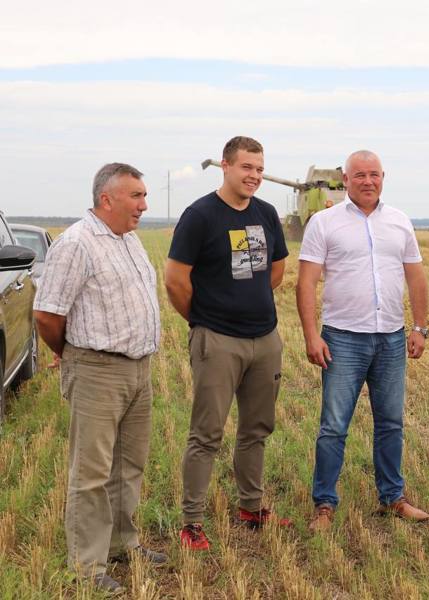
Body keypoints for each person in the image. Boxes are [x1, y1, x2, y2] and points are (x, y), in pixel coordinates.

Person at [33, 163, 164, 594]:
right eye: (137, 197)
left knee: (128, 466)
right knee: (90, 472)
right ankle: (87, 566)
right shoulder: (77, 244)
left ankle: (122, 544)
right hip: (97, 371)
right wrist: (70, 355)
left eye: (144, 196)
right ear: (106, 199)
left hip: (138, 370)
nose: (144, 205)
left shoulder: (128, 241)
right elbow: (48, 315)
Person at [165, 136, 290, 551]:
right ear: (225, 166)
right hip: (217, 340)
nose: (254, 176)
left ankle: (251, 507)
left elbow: (275, 271)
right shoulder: (200, 215)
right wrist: (205, 321)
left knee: (256, 430)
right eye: (246, 167)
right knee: (207, 434)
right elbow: (176, 280)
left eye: (259, 168)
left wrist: (248, 306)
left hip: (264, 339)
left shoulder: (267, 214)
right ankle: (192, 523)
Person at [297, 149, 429, 532]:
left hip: (390, 338)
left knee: (390, 423)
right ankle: (324, 504)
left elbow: (416, 277)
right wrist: (311, 335)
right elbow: (306, 282)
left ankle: (393, 498)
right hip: (342, 339)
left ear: (383, 176)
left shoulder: (399, 222)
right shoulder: (324, 222)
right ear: (345, 178)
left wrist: (419, 328)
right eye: (359, 175)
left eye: (374, 174)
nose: (367, 181)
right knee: (334, 426)